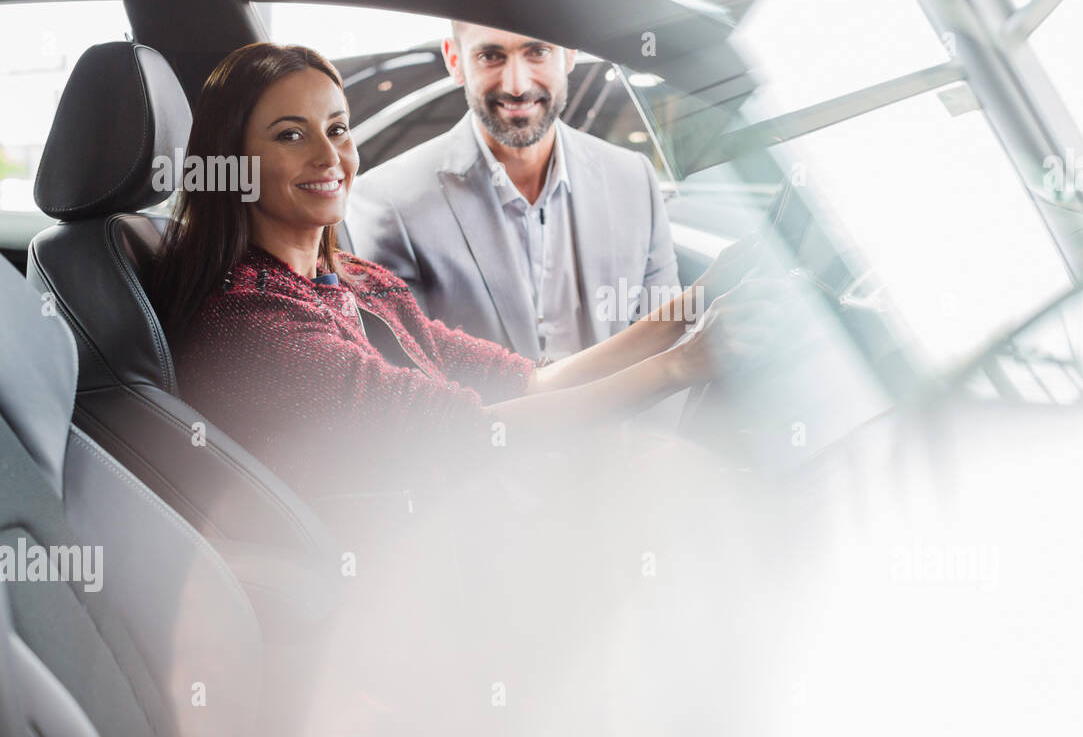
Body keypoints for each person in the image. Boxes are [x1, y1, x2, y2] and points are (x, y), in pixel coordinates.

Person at [151, 43, 772, 508]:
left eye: (338, 128)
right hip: (396, 586)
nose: (329, 155)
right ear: (233, 161)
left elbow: (524, 385)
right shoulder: (250, 318)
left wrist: (692, 306)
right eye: (292, 135)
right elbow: (474, 434)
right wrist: (683, 365)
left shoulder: (357, 281)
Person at [346, 21, 679, 361]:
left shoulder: (634, 178)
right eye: (491, 56)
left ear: (570, 53)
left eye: (537, 52)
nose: (517, 86)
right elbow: (405, 378)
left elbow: (666, 338)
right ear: (455, 60)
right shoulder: (387, 201)